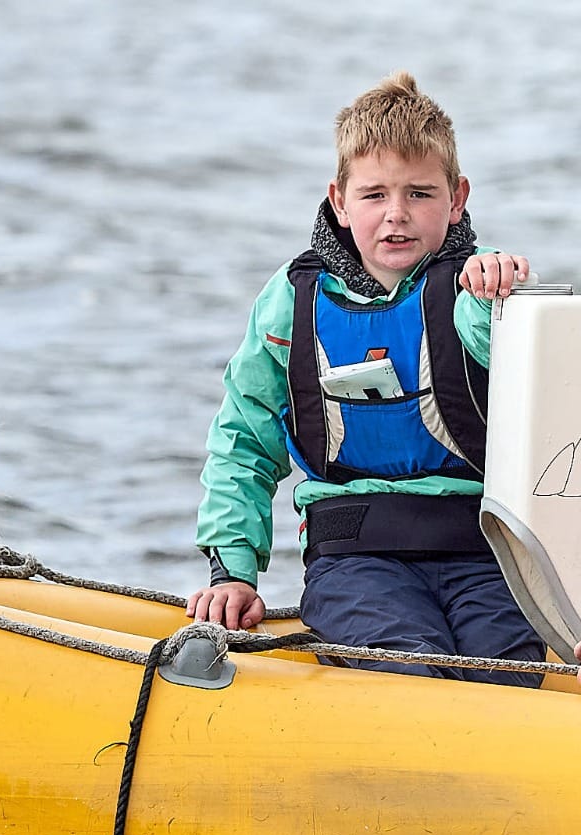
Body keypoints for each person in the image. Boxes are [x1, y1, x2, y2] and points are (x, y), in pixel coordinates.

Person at [186, 71, 546, 687]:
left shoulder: (482, 294)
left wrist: (508, 298)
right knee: (409, 668)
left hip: (488, 558)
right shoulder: (291, 302)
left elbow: (545, 400)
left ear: (458, 198)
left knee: (507, 679)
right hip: (356, 559)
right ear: (339, 199)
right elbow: (243, 440)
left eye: (421, 194)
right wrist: (233, 573)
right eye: (375, 195)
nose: (397, 216)